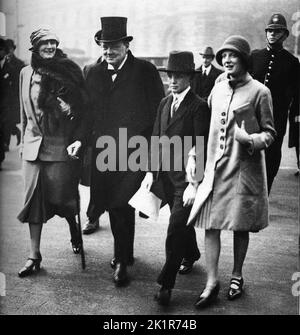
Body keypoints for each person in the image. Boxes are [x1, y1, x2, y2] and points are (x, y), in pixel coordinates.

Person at [186, 36, 276, 308]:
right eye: (223, 56)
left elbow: (270, 133)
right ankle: (212, 280)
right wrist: (195, 154)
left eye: (232, 56)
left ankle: (237, 275)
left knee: (239, 225)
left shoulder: (260, 92)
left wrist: (249, 139)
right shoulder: (218, 87)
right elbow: (206, 125)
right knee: (210, 224)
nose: (226, 60)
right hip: (215, 168)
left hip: (243, 170)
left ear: (244, 60)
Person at [83, 17, 164, 286]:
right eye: (104, 47)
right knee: (112, 203)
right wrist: (79, 140)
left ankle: (121, 262)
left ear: (126, 45)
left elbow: (158, 112)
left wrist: (155, 151)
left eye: (114, 46)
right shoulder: (93, 73)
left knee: (121, 204)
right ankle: (125, 254)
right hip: (104, 152)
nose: (108, 52)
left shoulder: (145, 71)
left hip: (135, 150)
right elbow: (88, 114)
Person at [17, 28, 89, 277]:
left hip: (59, 147)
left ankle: (73, 224)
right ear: (35, 47)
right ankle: (34, 255)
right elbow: (23, 113)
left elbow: (81, 111)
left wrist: (69, 114)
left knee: (61, 200)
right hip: (32, 148)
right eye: (44, 42)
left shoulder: (67, 72)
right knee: (33, 203)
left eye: (52, 42)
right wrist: (22, 145)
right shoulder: (25, 73)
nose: (49, 46)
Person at [141, 50, 210, 306]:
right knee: (181, 226)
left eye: (178, 76)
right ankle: (191, 253)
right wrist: (149, 172)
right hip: (164, 178)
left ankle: (165, 285)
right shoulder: (164, 103)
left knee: (174, 229)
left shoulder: (199, 106)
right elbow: (156, 140)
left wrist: (195, 183)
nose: (173, 80)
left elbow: (201, 147)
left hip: (186, 181)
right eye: (170, 75)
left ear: (189, 78)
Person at [250, 13, 299, 193]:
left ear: (285, 35)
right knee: (248, 155)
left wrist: (295, 116)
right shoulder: (255, 56)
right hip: (251, 116)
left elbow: (296, 94)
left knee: (271, 158)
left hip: (276, 118)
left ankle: (264, 194)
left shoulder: (292, 63)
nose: (272, 34)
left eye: (277, 31)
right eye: (270, 31)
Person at [4, 39, 25, 148]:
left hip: (14, 98)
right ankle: (16, 132)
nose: (9, 51)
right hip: (5, 97)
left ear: (13, 49)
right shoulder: (3, 61)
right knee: (6, 120)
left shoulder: (19, 64)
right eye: (7, 49)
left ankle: (6, 144)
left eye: (10, 49)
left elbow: (20, 83)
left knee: (8, 120)